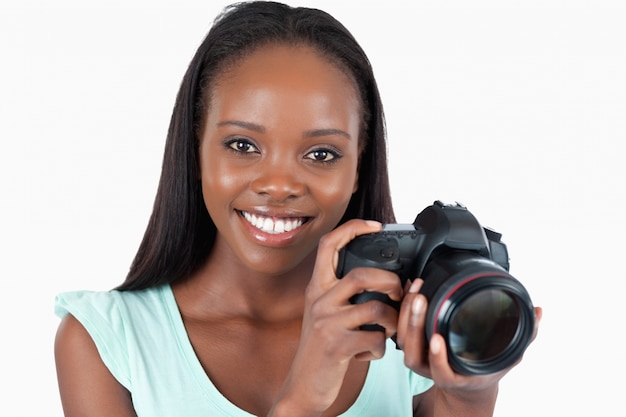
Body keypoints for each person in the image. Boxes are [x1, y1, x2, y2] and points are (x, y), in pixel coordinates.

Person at [54, 2, 542, 416]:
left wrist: (470, 397)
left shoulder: (411, 330)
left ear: (358, 166)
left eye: (322, 154)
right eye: (243, 145)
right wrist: (304, 397)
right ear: (194, 149)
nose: (279, 186)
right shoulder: (106, 343)